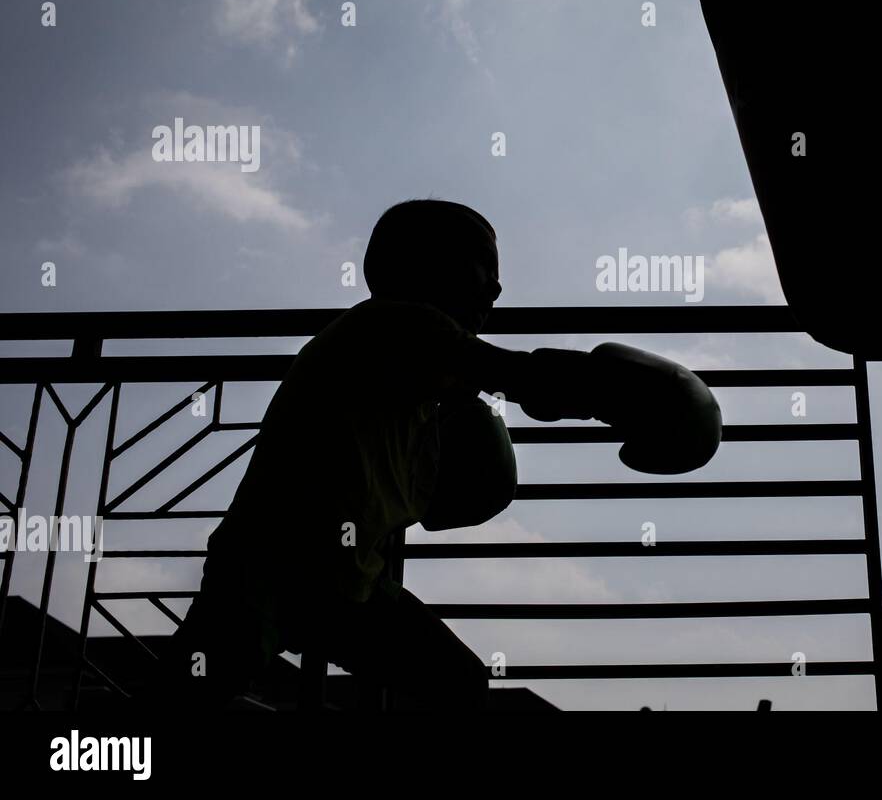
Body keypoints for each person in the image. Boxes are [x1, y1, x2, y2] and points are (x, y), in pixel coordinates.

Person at [157, 199, 720, 710]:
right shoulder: (396, 322)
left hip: (346, 582)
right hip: (269, 569)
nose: (495, 290)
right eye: (484, 267)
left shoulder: (423, 381)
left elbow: (446, 475)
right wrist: (631, 390)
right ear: (427, 263)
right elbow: (521, 377)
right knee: (179, 709)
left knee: (456, 682)